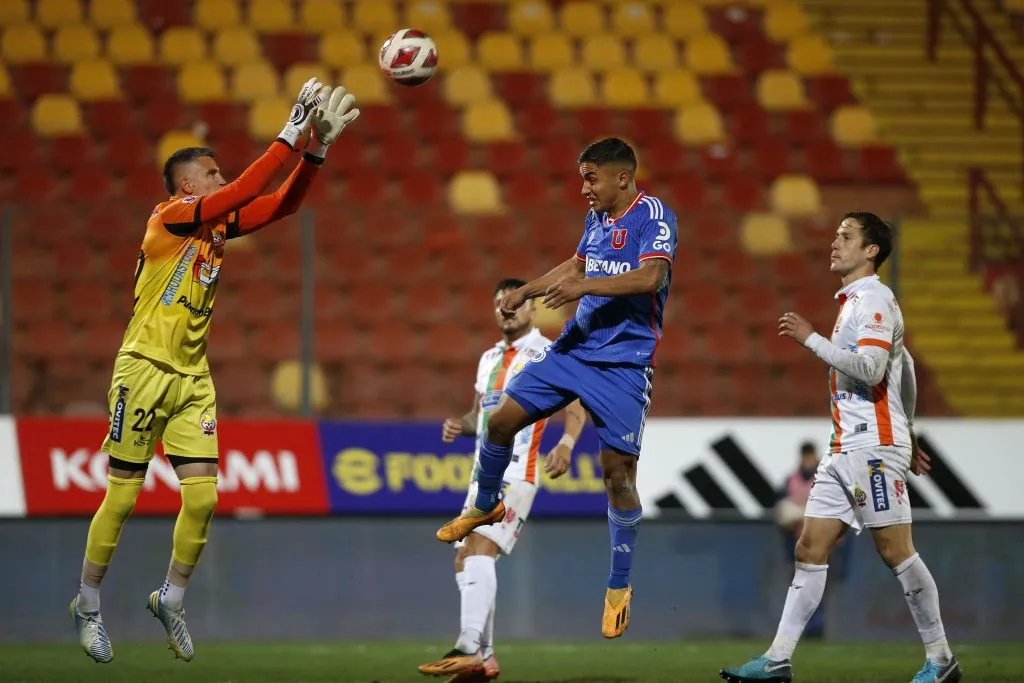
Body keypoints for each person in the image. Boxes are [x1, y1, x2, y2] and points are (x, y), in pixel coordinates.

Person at [68, 79, 360, 664]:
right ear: (186, 184)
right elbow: (252, 186)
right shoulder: (171, 219)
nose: (223, 181)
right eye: (214, 173)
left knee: (202, 499)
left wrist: (316, 151)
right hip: (143, 370)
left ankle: (170, 598)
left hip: (192, 379)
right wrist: (289, 131)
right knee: (122, 497)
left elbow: (283, 203)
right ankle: (88, 602)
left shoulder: (215, 227)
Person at [434, 138, 678, 639]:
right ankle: (485, 503)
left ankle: (618, 586)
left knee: (618, 477)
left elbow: (651, 277)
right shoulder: (597, 220)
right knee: (500, 419)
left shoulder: (653, 215)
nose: (583, 187)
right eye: (581, 177)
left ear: (622, 178)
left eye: (591, 178)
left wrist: (583, 287)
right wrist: (527, 291)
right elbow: (576, 267)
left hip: (624, 366)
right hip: (575, 349)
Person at [720, 212, 960, 683]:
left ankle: (941, 658)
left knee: (896, 551)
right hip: (844, 447)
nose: (835, 242)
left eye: (846, 236)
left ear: (871, 251)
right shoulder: (856, 302)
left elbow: (872, 370)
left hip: (871, 447)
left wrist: (811, 339)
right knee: (809, 547)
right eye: (835, 234)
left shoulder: (873, 299)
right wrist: (908, 431)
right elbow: (903, 365)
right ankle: (777, 658)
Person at [418, 278, 587, 681]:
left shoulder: (548, 352)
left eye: (513, 303)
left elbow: (577, 400)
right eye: (498, 304)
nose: (505, 309)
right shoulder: (488, 358)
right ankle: (485, 658)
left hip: (518, 470)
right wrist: (461, 424)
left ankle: (468, 646)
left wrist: (566, 443)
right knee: (465, 560)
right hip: (483, 476)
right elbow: (483, 414)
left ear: (532, 309)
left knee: (480, 545)